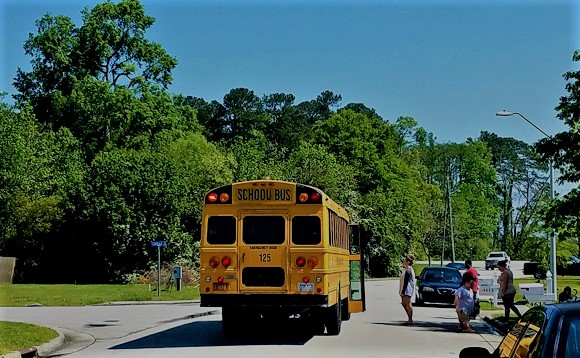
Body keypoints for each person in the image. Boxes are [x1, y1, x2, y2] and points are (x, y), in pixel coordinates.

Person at [399, 255, 416, 325]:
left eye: (404, 261)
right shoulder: (406, 269)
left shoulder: (409, 270)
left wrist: (403, 290)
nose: (403, 262)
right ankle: (409, 318)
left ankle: (410, 319)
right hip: (404, 289)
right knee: (403, 303)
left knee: (408, 304)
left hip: (407, 289)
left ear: (408, 262)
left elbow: (406, 281)